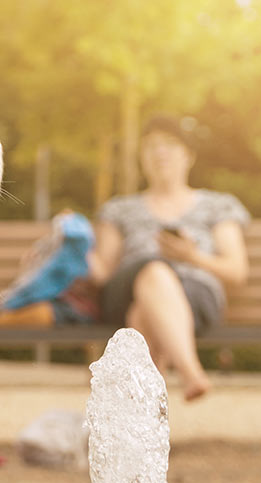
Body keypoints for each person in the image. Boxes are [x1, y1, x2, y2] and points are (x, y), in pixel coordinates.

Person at [87, 115, 249, 401]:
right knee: (153, 272)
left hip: (195, 296)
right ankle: (191, 373)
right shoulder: (119, 209)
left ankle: (143, 421)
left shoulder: (218, 205)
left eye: (170, 144)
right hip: (125, 290)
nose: (160, 152)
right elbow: (102, 271)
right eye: (151, 146)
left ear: (189, 156)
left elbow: (236, 271)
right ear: (142, 158)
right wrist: (69, 244)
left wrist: (192, 256)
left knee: (143, 311)